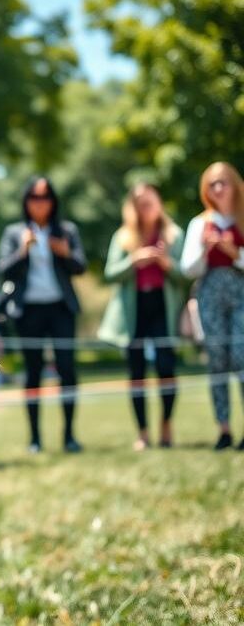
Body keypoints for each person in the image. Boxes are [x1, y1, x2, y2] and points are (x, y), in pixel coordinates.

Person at [0, 177, 86, 453]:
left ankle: (69, 435)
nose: (40, 203)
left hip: (61, 308)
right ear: (26, 202)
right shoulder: (15, 232)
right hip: (29, 310)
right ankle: (35, 438)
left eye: (45, 197)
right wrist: (24, 250)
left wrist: (65, 252)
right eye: (34, 197)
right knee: (33, 372)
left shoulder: (66, 231)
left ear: (53, 201)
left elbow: (80, 266)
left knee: (67, 369)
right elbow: (4, 269)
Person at [98, 183, 185, 450]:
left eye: (150, 202)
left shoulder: (174, 235)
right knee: (136, 372)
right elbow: (110, 273)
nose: (146, 208)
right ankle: (143, 432)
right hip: (134, 311)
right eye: (140, 204)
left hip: (162, 307)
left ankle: (167, 424)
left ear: (159, 202)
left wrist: (165, 263)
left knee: (166, 367)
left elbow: (187, 276)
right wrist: (134, 260)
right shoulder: (122, 237)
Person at [180, 162, 244, 450]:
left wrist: (234, 252)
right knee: (217, 361)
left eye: (223, 182)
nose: (218, 188)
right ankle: (224, 429)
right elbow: (188, 269)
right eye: (212, 184)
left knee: (242, 358)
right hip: (210, 294)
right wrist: (206, 249)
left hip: (240, 291)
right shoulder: (199, 224)